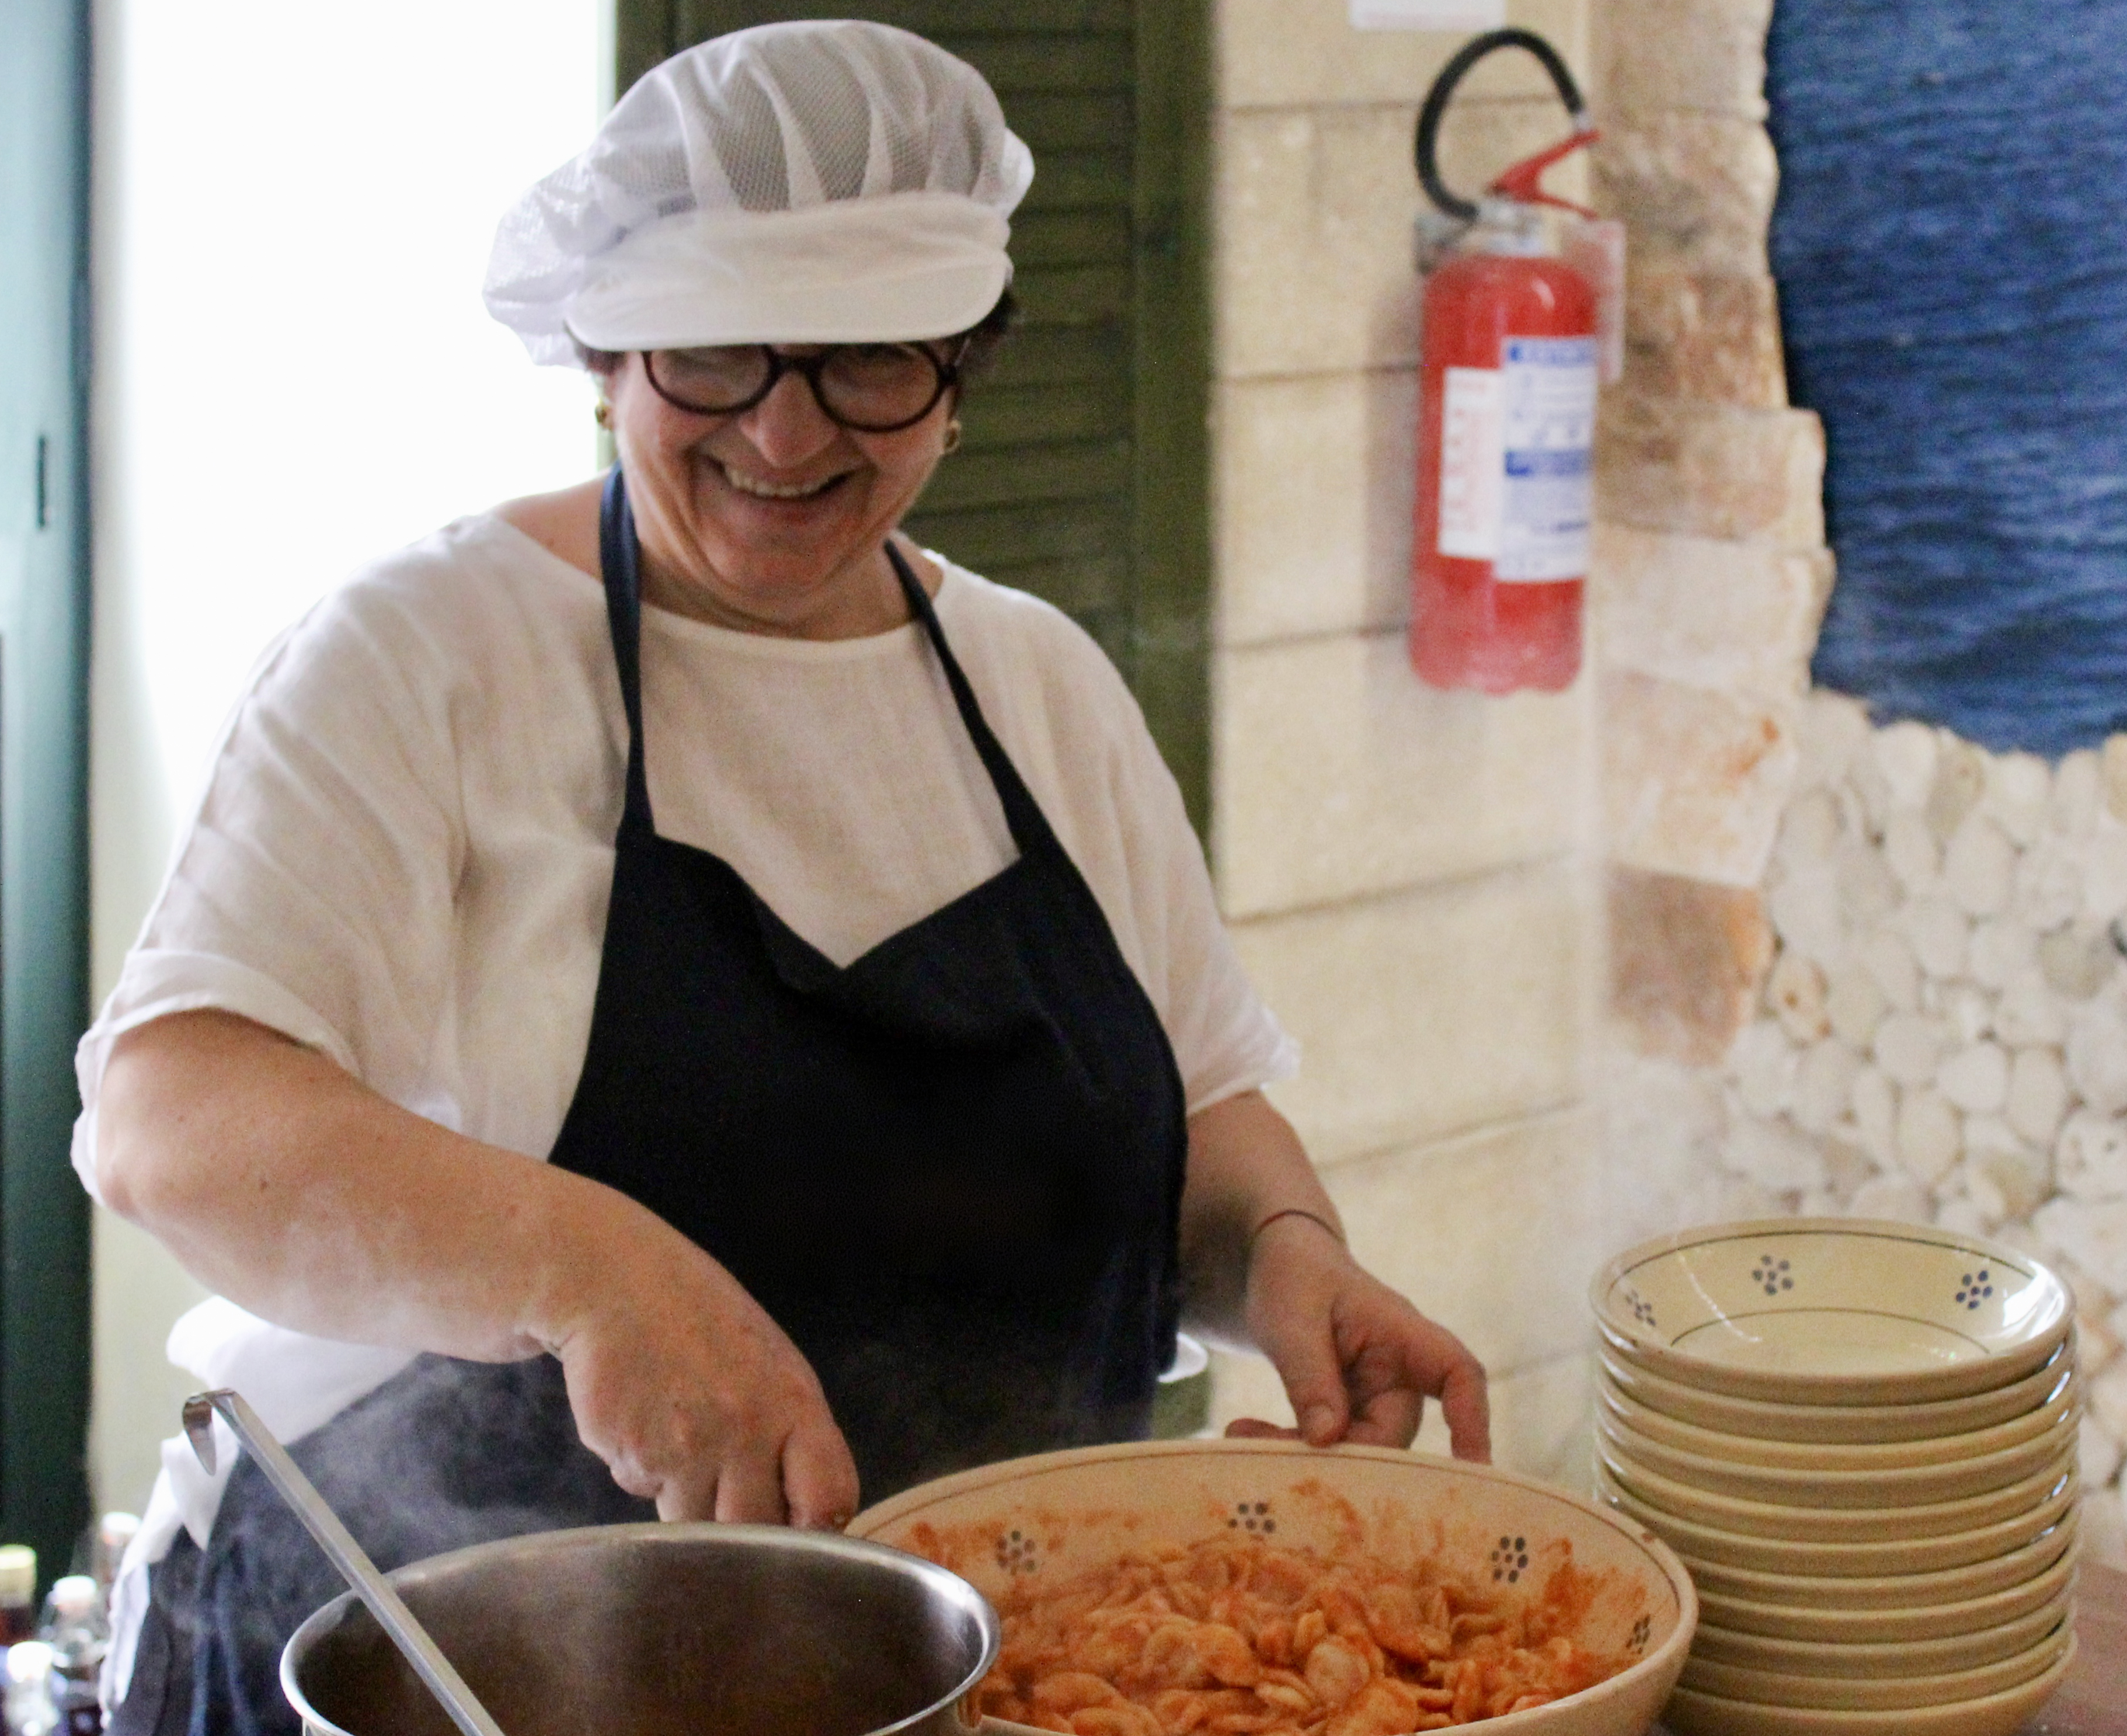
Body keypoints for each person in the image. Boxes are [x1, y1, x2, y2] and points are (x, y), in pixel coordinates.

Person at [79, 22, 1489, 1734]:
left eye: (867, 360)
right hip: (450, 1671)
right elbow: (167, 1120)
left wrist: (1287, 1258)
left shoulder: (1039, 690)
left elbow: (1192, 1111)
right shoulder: (425, 660)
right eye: (714, 359)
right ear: (603, 358)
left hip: (943, 1672)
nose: (786, 431)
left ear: (962, 374)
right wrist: (587, 1266)